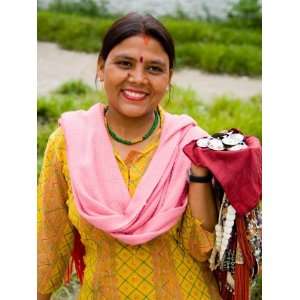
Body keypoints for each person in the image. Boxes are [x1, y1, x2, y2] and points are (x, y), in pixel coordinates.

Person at [38, 12, 220, 300]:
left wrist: (199, 171)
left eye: (154, 69)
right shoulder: (68, 142)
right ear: (101, 67)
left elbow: (202, 247)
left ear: (169, 77)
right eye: (124, 63)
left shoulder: (191, 143)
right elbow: (48, 245)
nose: (137, 79)